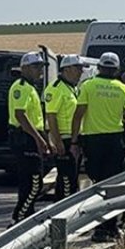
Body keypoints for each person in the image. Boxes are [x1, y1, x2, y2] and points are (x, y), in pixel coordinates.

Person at [70, 52, 125, 242]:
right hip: (114, 141)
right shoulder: (124, 89)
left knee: (96, 183)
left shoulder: (88, 86)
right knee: (112, 185)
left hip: (92, 140)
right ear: (116, 70)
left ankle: (99, 227)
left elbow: (78, 116)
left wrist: (74, 142)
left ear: (99, 67)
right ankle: (110, 227)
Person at [8, 52, 53, 223]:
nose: (40, 71)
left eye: (41, 67)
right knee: (35, 183)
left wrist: (45, 139)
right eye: (36, 67)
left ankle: (26, 217)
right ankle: (19, 218)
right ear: (24, 68)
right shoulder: (21, 87)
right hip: (25, 138)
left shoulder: (31, 87)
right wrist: (38, 139)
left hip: (32, 136)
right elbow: (20, 115)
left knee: (30, 183)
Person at [44, 55, 84, 199]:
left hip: (74, 139)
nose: (81, 72)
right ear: (66, 69)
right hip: (64, 139)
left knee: (72, 179)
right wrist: (58, 141)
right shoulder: (56, 89)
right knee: (67, 181)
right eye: (77, 68)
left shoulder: (73, 88)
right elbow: (51, 116)